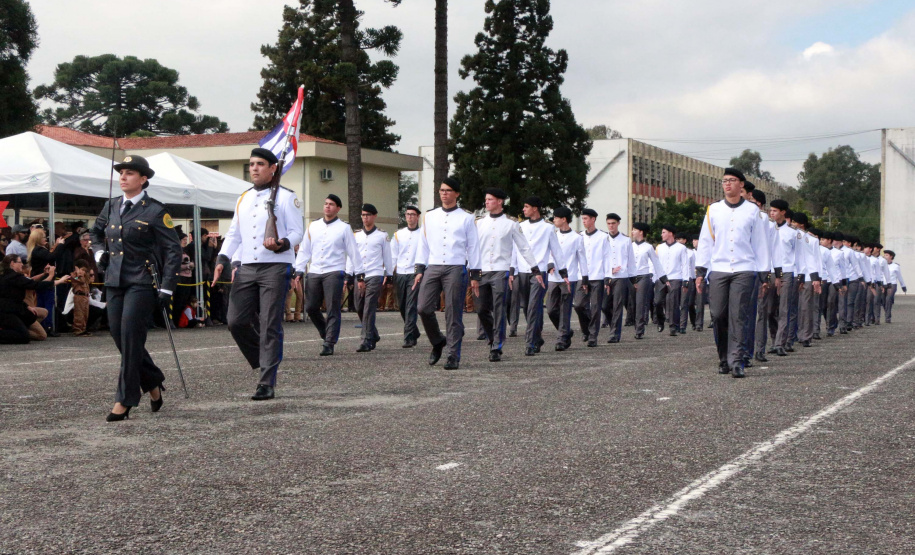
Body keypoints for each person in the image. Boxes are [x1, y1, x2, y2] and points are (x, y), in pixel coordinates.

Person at [90, 155, 183, 420]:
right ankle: (153, 381)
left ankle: (125, 400)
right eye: (121, 173)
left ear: (143, 180)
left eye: (130, 173)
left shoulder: (155, 210)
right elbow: (96, 233)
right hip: (114, 280)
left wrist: (167, 288)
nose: (122, 177)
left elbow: (172, 250)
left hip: (142, 281)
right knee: (121, 338)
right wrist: (98, 254)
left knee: (131, 337)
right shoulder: (111, 206)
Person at [213, 148, 304, 401]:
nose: (254, 168)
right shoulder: (243, 198)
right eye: (251, 164)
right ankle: (263, 360)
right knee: (236, 321)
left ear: (273, 168)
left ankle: (267, 380)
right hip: (247, 265)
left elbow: (298, 231)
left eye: (260, 164)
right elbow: (234, 233)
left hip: (275, 265)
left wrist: (283, 243)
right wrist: (223, 258)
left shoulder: (286, 197)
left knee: (269, 323)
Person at [695, 168, 770, 377]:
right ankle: (723, 357)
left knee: (739, 316)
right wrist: (700, 271)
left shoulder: (752, 211)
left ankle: (737, 360)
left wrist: (764, 274)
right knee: (718, 315)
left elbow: (760, 243)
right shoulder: (713, 210)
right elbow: (705, 242)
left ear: (741, 185)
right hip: (719, 269)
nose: (727, 184)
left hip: (744, 269)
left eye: (732, 180)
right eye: (725, 181)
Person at [413, 177, 482, 370]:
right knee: (423, 308)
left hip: (455, 266)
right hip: (433, 266)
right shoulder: (430, 216)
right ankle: (437, 341)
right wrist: (419, 269)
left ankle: (453, 355)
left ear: (457, 194)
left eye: (449, 190)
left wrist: (475, 275)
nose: (444, 193)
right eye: (442, 190)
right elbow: (423, 243)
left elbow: (473, 247)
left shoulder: (467, 217)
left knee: (453, 313)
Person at [293, 194, 363, 356]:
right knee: (310, 307)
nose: (327, 207)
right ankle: (326, 332)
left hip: (334, 271)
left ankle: (329, 342)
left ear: (338, 208)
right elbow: (305, 249)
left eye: (331, 204)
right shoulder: (313, 226)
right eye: (325, 204)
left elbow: (353, 252)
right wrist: (299, 269)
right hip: (315, 270)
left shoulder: (344, 228)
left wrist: (358, 274)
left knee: (332, 308)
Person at [475, 188, 540, 362]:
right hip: (482, 270)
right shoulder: (479, 223)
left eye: (490, 199)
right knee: (481, 309)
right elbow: (472, 248)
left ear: (500, 202)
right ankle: (492, 337)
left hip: (500, 270)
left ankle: (497, 345)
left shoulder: (511, 223)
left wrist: (535, 268)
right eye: (486, 199)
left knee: (499, 308)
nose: (486, 202)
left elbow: (524, 247)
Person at [511, 197, 569, 356]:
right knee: (526, 307)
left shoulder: (547, 228)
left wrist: (563, 272)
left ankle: (530, 343)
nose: (524, 209)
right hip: (522, 271)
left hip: (539, 272)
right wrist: (512, 270)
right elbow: (515, 250)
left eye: (526, 206)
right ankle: (537, 337)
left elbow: (556, 250)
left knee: (534, 307)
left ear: (535, 208)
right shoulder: (520, 226)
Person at [348, 203, 393, 352]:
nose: (365, 218)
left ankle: (366, 340)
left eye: (368, 215)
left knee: (369, 308)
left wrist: (389, 274)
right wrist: (349, 274)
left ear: (374, 216)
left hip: (375, 274)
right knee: (358, 306)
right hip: (359, 274)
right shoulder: (356, 235)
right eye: (363, 215)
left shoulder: (382, 235)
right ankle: (373, 333)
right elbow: (352, 255)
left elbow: (387, 256)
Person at [0, 254, 70, 343]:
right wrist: (59, 281)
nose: (22, 264)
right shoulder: (13, 277)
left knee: (40, 316)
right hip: (8, 312)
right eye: (19, 262)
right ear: (12, 263)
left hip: (16, 309)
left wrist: (26, 306)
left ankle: (20, 328)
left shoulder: (9, 276)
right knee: (23, 337)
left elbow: (13, 295)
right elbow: (35, 285)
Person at [547, 206, 587, 351]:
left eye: (556, 217)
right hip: (553, 277)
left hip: (569, 278)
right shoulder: (553, 234)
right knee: (551, 310)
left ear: (564, 219)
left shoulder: (577, 238)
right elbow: (549, 253)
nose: (554, 220)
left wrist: (585, 278)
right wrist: (550, 264)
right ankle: (566, 331)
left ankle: (562, 338)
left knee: (565, 309)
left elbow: (582, 259)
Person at [629, 222, 667, 340]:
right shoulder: (630, 246)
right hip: (631, 277)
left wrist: (663, 278)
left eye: (634, 230)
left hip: (644, 276)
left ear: (641, 232)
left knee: (640, 303)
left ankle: (639, 330)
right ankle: (636, 324)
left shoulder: (648, 247)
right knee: (632, 304)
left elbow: (656, 262)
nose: (632, 232)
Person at [392, 205, 422, 348]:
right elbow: (393, 254)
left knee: (411, 305)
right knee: (402, 305)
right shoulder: (399, 234)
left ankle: (409, 337)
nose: (410, 217)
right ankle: (414, 330)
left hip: (414, 273)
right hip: (401, 273)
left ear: (417, 217)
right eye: (408, 214)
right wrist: (389, 272)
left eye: (413, 214)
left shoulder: (423, 234)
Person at [791, 213, 822, 348]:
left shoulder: (812, 240)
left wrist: (817, 279)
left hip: (808, 276)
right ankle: (793, 334)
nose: (791, 223)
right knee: (792, 308)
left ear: (801, 224)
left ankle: (806, 336)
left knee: (805, 307)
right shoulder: (790, 236)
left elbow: (816, 260)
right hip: (792, 274)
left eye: (794, 221)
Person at [603, 213, 634, 343]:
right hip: (606, 275)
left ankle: (615, 333)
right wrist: (608, 271)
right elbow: (601, 258)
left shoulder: (626, 240)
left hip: (621, 276)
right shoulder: (603, 239)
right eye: (609, 223)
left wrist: (633, 279)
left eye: (613, 223)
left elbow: (631, 260)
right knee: (604, 306)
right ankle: (613, 326)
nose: (611, 226)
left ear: (618, 224)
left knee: (617, 305)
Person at [655, 224, 689, 336]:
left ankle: (673, 326)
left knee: (673, 303)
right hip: (662, 278)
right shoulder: (659, 247)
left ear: (670, 233)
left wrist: (685, 280)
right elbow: (656, 263)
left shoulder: (681, 248)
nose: (662, 234)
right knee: (657, 301)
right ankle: (660, 321)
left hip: (675, 277)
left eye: (664, 232)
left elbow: (685, 264)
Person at [883, 249, 906, 322]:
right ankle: (887, 311)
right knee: (883, 301)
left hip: (892, 284)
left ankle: (887, 317)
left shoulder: (895, 266)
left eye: (886, 255)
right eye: (884, 255)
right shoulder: (881, 264)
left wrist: (903, 285)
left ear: (891, 256)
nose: (884, 256)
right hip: (883, 284)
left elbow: (899, 276)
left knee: (888, 300)